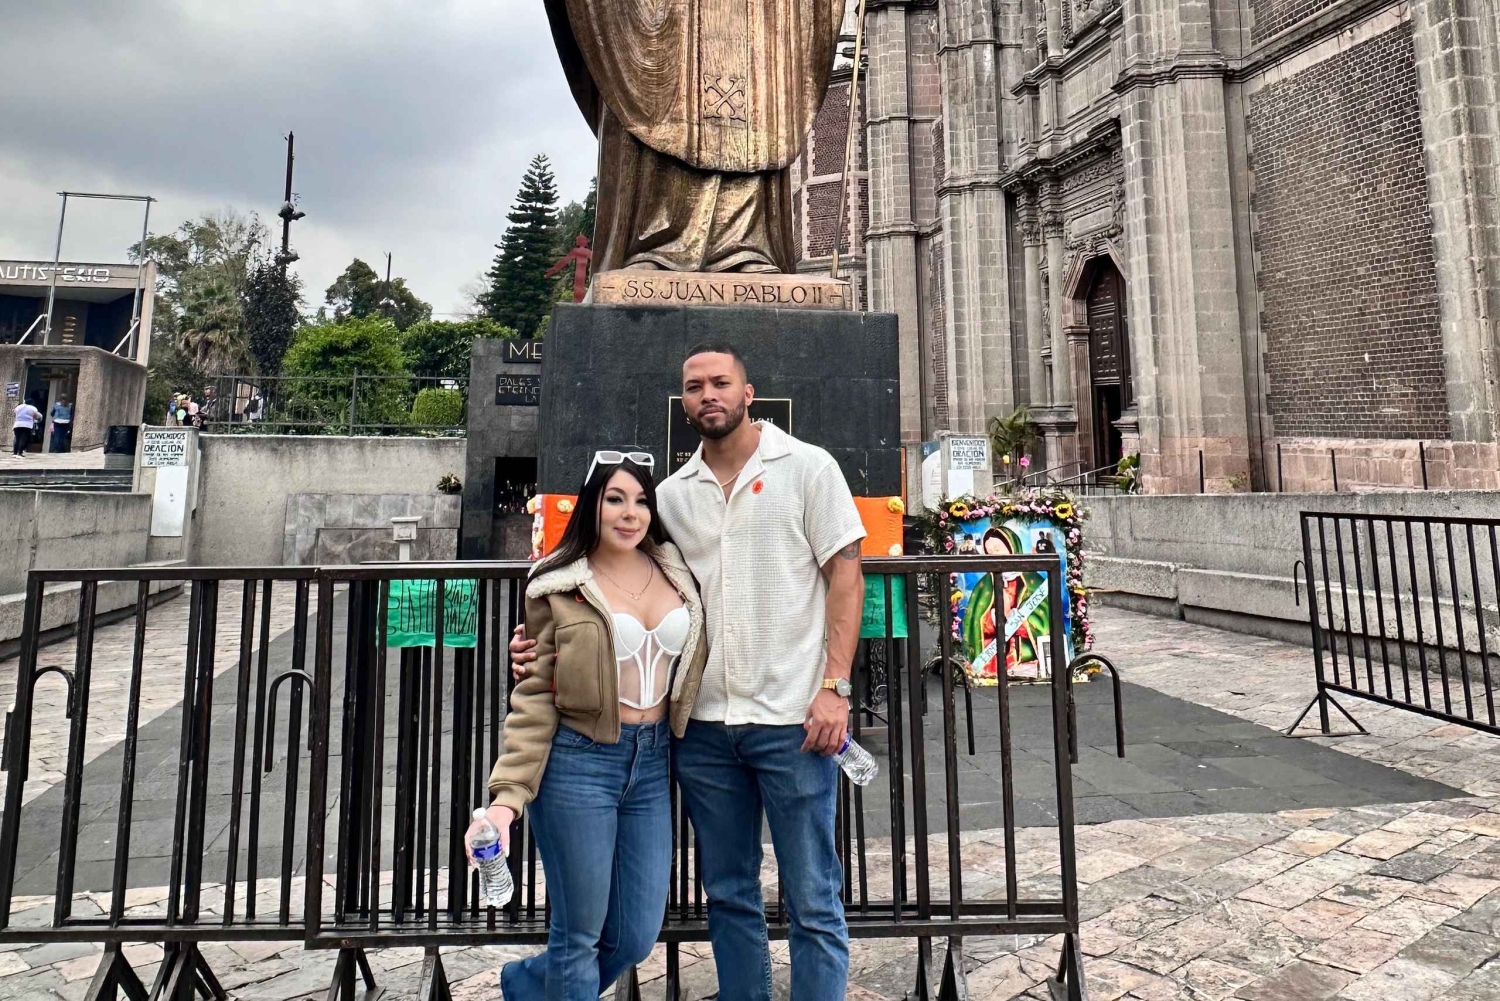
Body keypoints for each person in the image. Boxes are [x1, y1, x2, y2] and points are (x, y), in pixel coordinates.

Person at [512, 342, 866, 1000]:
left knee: (814, 896)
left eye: (720, 382)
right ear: (684, 401)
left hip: (793, 718)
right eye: (696, 386)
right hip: (703, 729)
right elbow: (613, 574)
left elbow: (846, 576)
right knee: (729, 894)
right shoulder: (671, 497)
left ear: (747, 392)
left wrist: (834, 686)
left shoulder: (809, 468)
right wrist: (545, 637)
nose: (709, 394)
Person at [473, 451, 708, 1001]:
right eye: (615, 499)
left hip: (651, 764)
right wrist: (507, 801)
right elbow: (535, 696)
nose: (630, 513)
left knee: (634, 934)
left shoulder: (677, 570)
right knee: (578, 935)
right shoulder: (558, 583)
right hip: (578, 764)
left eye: (641, 501)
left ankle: (525, 986)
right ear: (591, 506)